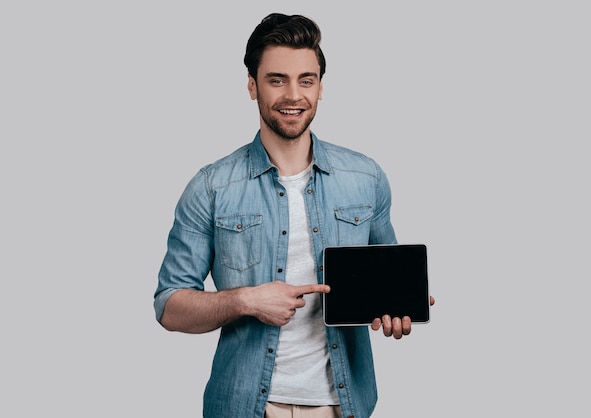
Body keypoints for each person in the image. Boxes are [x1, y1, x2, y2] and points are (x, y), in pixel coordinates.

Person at [154, 12, 434, 418]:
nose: (293, 95)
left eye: (306, 79)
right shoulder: (211, 186)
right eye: (276, 79)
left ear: (320, 87)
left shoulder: (365, 177)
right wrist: (247, 300)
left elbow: (385, 278)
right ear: (252, 86)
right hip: (247, 405)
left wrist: (397, 307)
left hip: (342, 405)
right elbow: (169, 305)